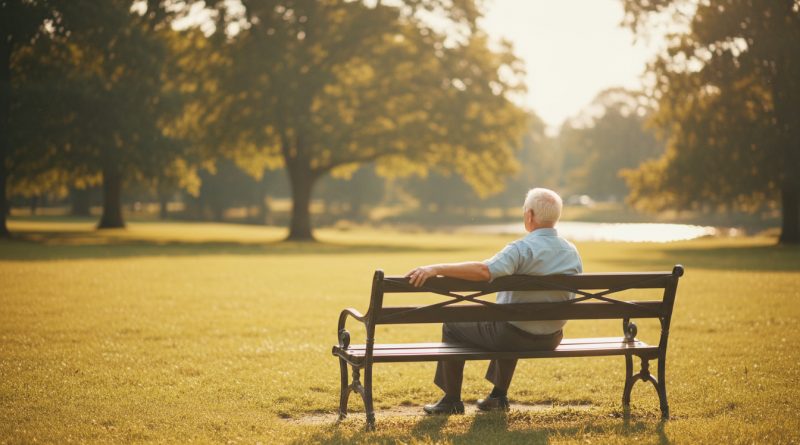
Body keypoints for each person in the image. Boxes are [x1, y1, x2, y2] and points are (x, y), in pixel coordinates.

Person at [405, 187, 583, 414]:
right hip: (551, 338)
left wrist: (436, 268)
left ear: (529, 215)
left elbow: (484, 271)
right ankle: (498, 397)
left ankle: (451, 400)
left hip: (512, 337)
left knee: (453, 324)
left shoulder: (522, 249)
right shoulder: (571, 251)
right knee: (512, 321)